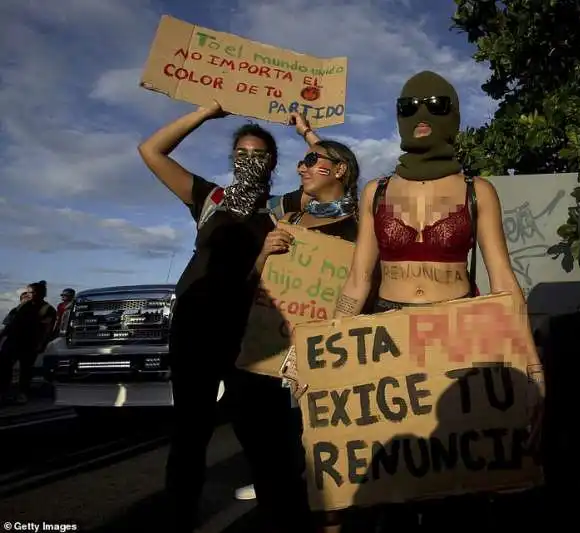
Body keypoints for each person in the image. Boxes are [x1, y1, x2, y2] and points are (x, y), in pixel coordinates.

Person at [331, 70, 545, 528]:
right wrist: (325, 351)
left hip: (458, 334)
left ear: (454, 115)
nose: (420, 116)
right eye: (408, 107)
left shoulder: (477, 191)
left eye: (435, 105)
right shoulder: (377, 192)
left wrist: (531, 363)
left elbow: (504, 281)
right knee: (395, 476)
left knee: (457, 476)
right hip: (389, 335)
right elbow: (356, 279)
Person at [137, 102, 320, 532]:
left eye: (258, 155)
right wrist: (204, 113)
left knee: (262, 436)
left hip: (250, 334)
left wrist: (306, 133)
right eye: (241, 154)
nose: (249, 161)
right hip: (196, 328)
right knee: (189, 435)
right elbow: (151, 150)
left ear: (272, 163)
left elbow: (337, 179)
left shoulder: (278, 208)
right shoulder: (209, 198)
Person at [229, 137, 361, 532]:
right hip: (262, 365)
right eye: (302, 162)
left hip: (321, 371)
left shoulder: (361, 231)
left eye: (311, 160)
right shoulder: (284, 224)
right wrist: (263, 255)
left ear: (339, 170)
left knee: (321, 478)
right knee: (270, 470)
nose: (301, 168)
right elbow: (248, 288)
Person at [0, 281, 56, 404]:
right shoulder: (21, 306)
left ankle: (23, 393)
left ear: (42, 294)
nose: (30, 294)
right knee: (4, 366)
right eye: (29, 292)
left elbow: (47, 329)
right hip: (13, 340)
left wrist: (42, 344)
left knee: (26, 370)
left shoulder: (47, 309)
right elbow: (9, 323)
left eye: (33, 292)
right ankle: (3, 392)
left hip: (29, 342)